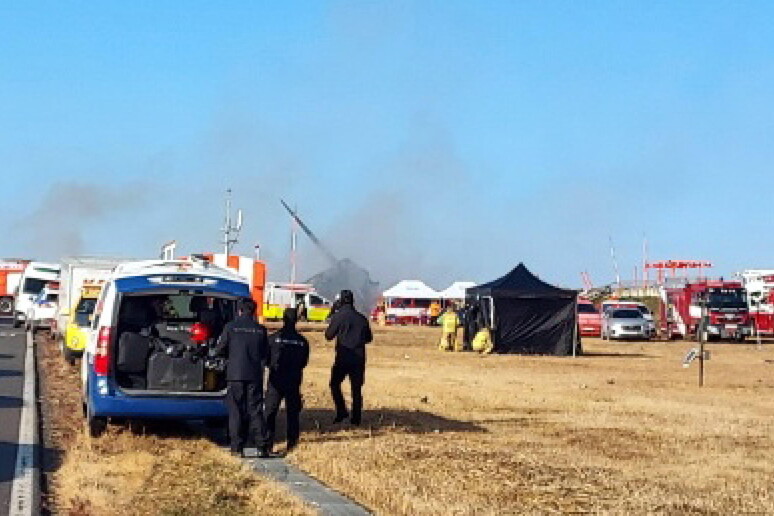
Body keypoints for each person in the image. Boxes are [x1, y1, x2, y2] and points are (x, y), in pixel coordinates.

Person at [213, 298, 271, 457]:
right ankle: (262, 446)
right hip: (255, 374)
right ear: (254, 311)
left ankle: (237, 447)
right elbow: (266, 354)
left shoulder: (230, 328)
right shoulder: (260, 330)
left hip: (235, 374)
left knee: (236, 410)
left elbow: (219, 349)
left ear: (239, 310)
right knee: (256, 409)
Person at [265, 307, 309, 453]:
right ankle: (292, 443)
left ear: (283, 319)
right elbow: (304, 362)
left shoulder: (272, 338)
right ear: (296, 320)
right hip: (294, 380)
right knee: (293, 413)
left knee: (270, 412)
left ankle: (267, 443)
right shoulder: (302, 341)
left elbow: (266, 359)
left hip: (276, 380)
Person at [325, 289, 372, 425]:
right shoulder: (362, 318)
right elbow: (369, 338)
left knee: (334, 384)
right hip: (359, 357)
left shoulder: (339, 317)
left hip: (343, 356)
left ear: (340, 301)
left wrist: (333, 314)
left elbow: (328, 335)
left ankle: (341, 411)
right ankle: (356, 418)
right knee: (356, 389)